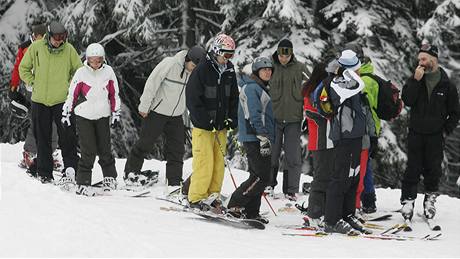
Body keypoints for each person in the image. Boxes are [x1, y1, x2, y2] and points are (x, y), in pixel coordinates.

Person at [124, 45, 206, 191]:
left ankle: (174, 181)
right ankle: (131, 173)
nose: (193, 69)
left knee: (177, 149)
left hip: (176, 115)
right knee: (145, 143)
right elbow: (152, 83)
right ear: (187, 59)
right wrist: (144, 106)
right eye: (193, 65)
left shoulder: (195, 74)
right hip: (157, 112)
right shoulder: (170, 64)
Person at [400, 44, 459, 221]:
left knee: (433, 170)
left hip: (435, 135)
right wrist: (415, 80)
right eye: (419, 59)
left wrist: (444, 131)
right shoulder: (417, 78)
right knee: (412, 168)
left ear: (433, 59)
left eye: (424, 59)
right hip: (416, 133)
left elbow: (455, 112)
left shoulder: (447, 85)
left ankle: (429, 201)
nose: (421, 62)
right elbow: (408, 100)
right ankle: (408, 201)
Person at [19, 21, 82, 183]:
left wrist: (68, 86)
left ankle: (71, 170)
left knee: (67, 137)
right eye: (56, 38)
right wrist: (33, 82)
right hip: (40, 101)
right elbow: (23, 68)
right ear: (49, 35)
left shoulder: (69, 50)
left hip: (62, 101)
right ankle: (44, 172)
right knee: (43, 138)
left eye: (62, 38)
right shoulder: (37, 47)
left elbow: (79, 71)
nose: (59, 41)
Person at [186, 34, 239, 210]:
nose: (228, 59)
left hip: (220, 126)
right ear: (216, 51)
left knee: (218, 163)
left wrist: (231, 118)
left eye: (231, 55)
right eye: (226, 54)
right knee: (204, 161)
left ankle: (213, 195)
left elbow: (233, 98)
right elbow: (193, 99)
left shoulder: (229, 71)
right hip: (203, 127)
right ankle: (196, 197)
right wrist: (205, 120)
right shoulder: (202, 70)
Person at [60, 43, 120, 196]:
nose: (95, 64)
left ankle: (110, 177)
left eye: (98, 60)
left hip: (102, 115)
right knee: (88, 150)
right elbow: (72, 94)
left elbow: (114, 94)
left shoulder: (108, 72)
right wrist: (66, 113)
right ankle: (83, 182)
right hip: (84, 115)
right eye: (92, 61)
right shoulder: (81, 73)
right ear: (87, 59)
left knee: (105, 148)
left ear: (103, 59)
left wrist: (116, 113)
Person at [323, 50, 367, 234]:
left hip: (356, 135)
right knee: (340, 177)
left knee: (353, 176)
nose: (359, 72)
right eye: (356, 69)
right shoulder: (338, 82)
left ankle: (347, 214)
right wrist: (349, 72)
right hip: (343, 135)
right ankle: (332, 220)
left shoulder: (352, 80)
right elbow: (354, 87)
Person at [226, 56, 275, 223]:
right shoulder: (252, 88)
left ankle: (251, 211)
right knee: (261, 177)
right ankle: (235, 204)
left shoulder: (260, 88)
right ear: (256, 72)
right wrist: (262, 136)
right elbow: (253, 114)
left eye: (269, 70)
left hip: (261, 136)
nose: (268, 72)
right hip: (254, 137)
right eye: (264, 69)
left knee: (260, 175)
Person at [8, 23, 59, 170]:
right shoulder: (25, 48)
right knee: (37, 121)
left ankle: (51, 153)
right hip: (33, 89)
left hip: (52, 89)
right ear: (34, 36)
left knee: (54, 121)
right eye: (39, 37)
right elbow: (19, 68)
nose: (42, 39)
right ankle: (29, 153)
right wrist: (14, 86)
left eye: (44, 37)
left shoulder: (52, 46)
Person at [268, 39, 309, 201]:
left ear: (291, 54)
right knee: (272, 154)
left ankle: (291, 189)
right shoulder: (269, 67)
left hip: (293, 119)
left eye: (286, 56)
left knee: (293, 156)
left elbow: (311, 87)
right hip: (274, 119)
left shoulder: (300, 68)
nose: (283, 59)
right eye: (280, 55)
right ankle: (268, 185)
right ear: (277, 53)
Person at [300, 62, 333, 227]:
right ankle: (314, 213)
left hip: (321, 140)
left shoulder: (315, 88)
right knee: (321, 178)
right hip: (321, 140)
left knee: (324, 177)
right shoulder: (315, 90)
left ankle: (321, 211)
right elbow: (317, 113)